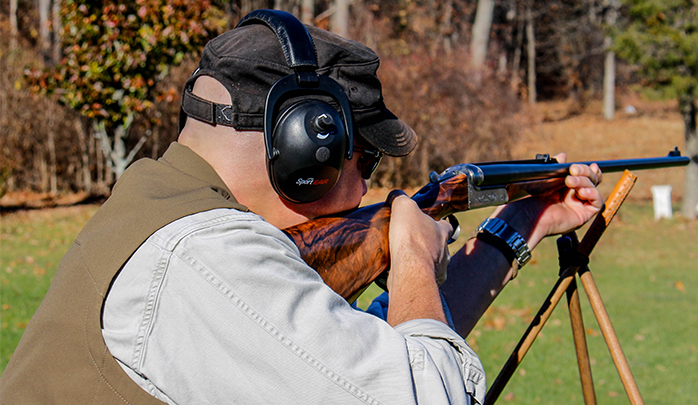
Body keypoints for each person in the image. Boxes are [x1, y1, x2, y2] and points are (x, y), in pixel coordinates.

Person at [0, 10, 602, 405]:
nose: (367, 191)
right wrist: (414, 257)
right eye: (364, 161)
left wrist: (519, 226)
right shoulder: (204, 257)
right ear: (305, 143)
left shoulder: (161, 205)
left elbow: (370, 356)